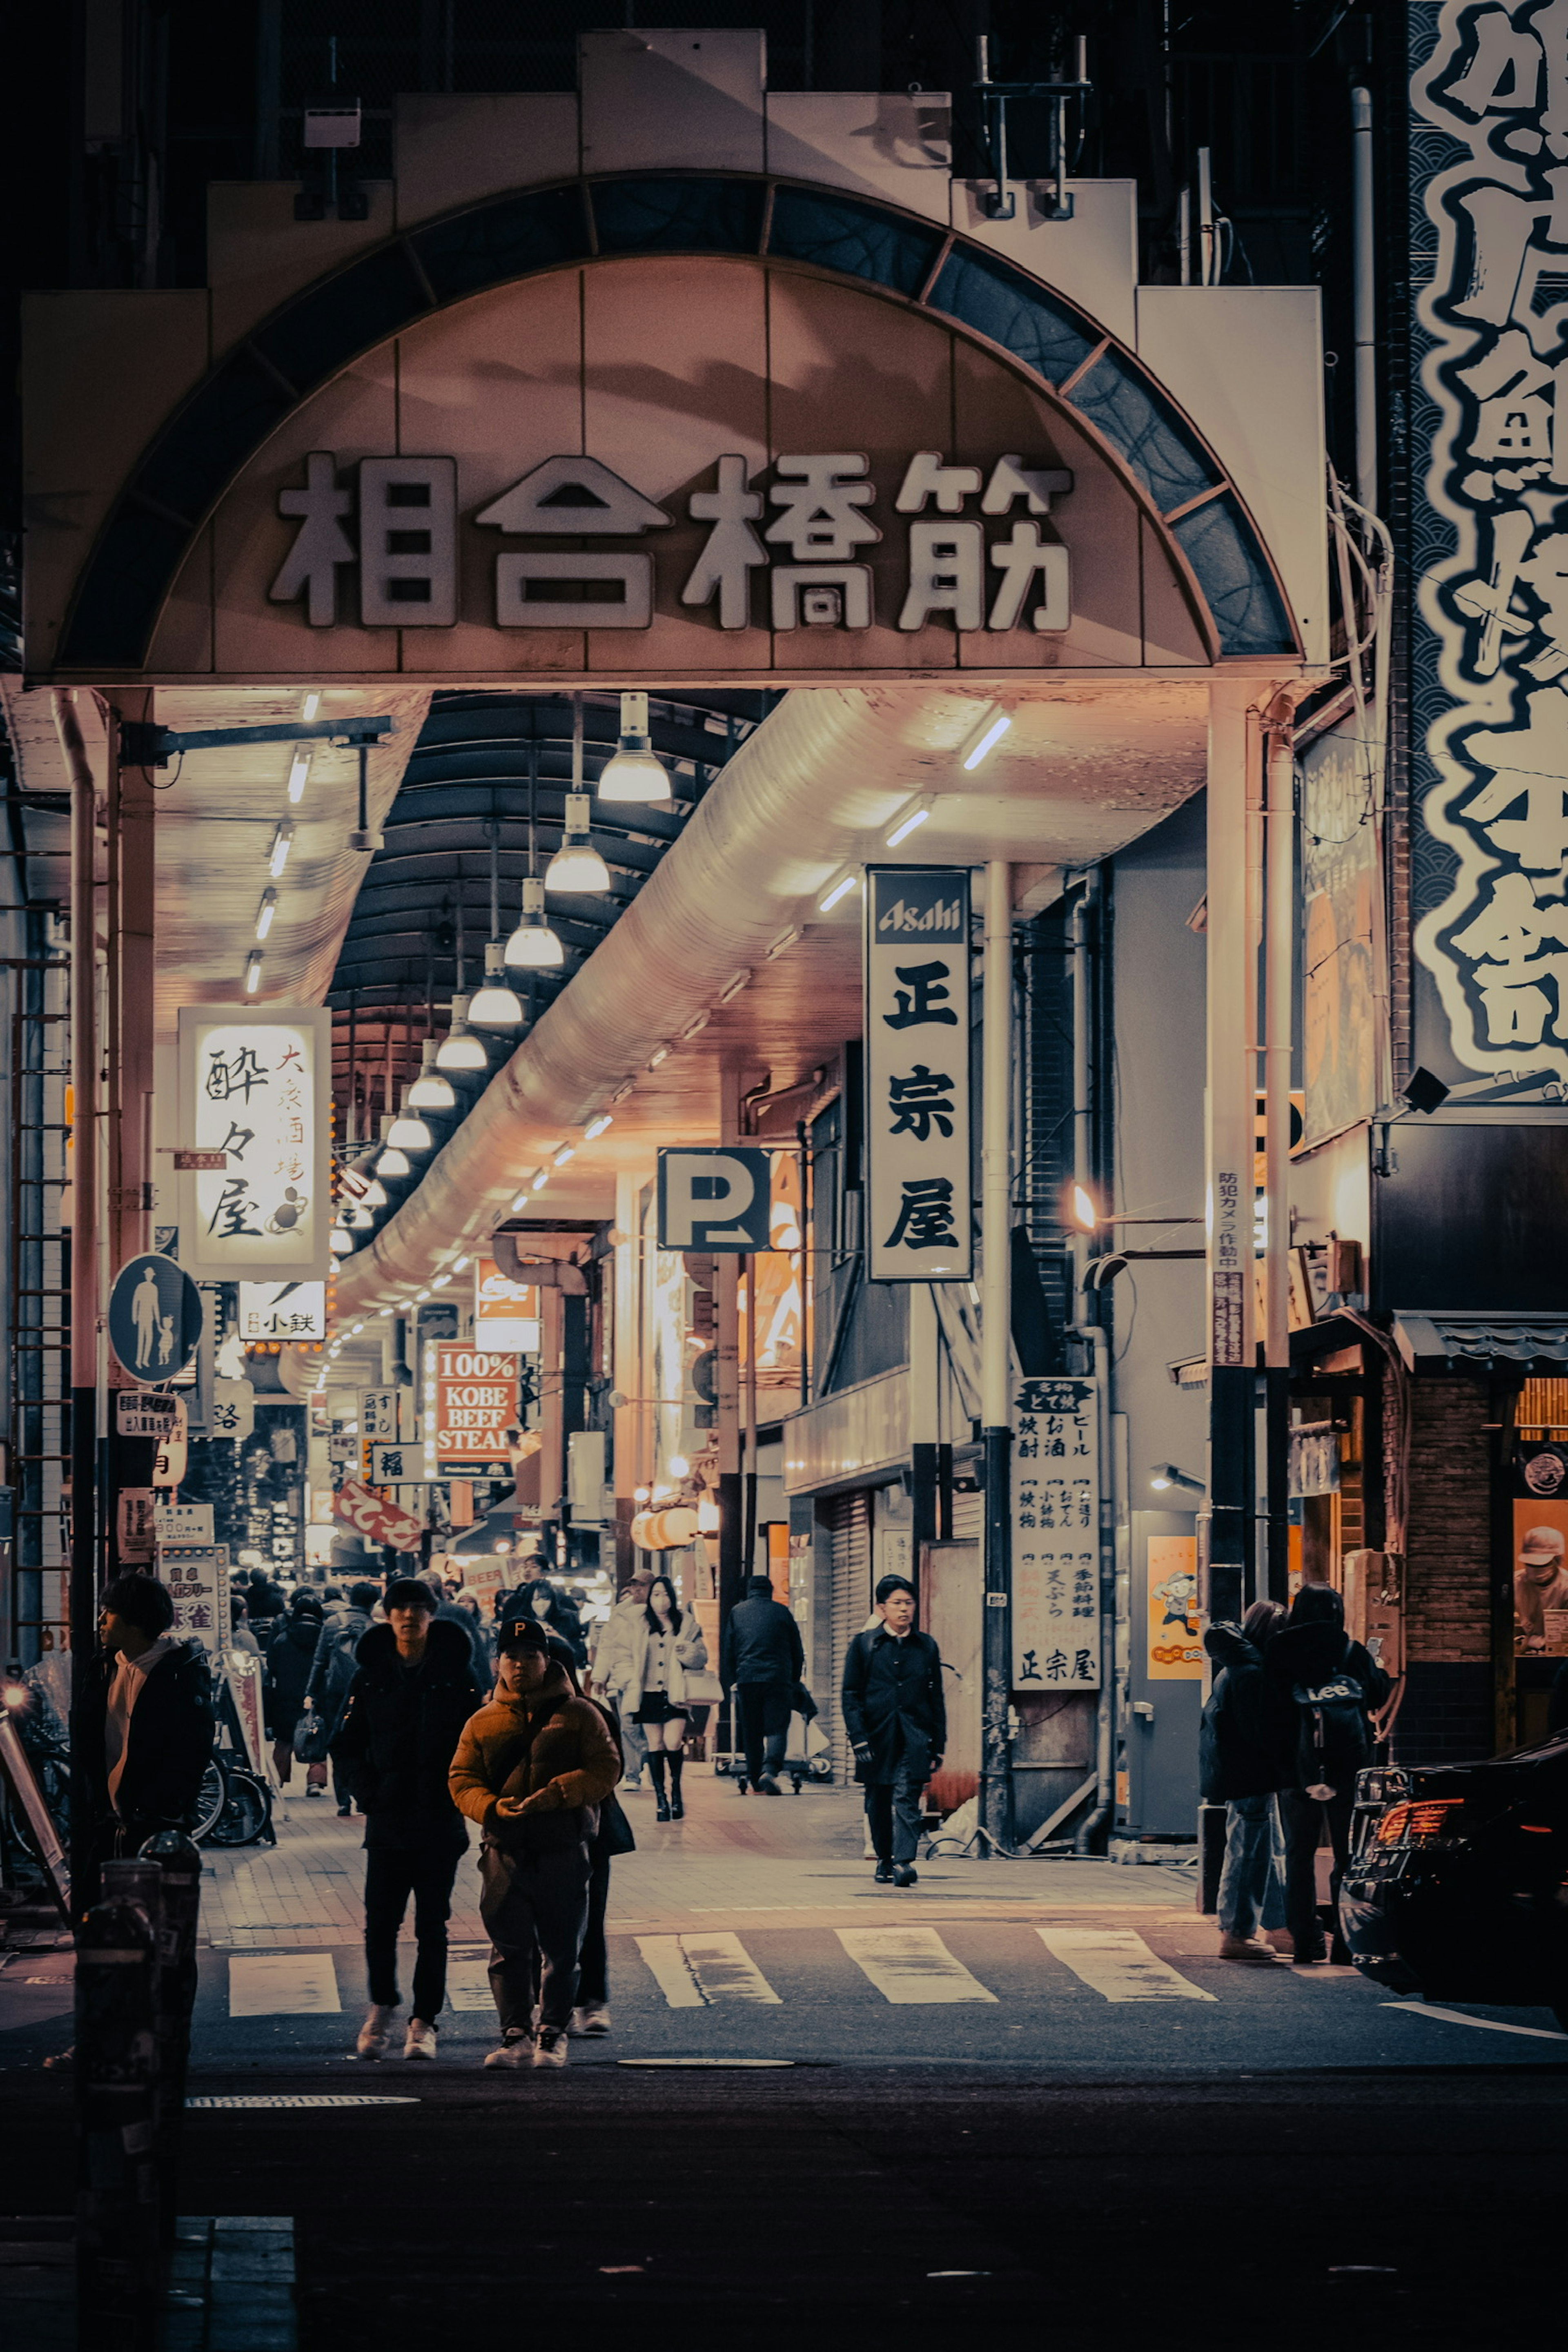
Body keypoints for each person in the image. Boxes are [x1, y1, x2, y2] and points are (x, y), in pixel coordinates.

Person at [448, 1617, 620, 2071]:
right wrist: (489, 1808)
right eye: (511, 1656)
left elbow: (606, 1768)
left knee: (563, 1948)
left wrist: (559, 1793)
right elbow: (462, 1778)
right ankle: (515, 2034)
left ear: (548, 1660)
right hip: (503, 1849)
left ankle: (553, 2033)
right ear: (497, 1663)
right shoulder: (482, 1721)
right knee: (508, 1948)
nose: (520, 1665)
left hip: (564, 1847)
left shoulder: (581, 1713)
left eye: (531, 1655)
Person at [332, 1577, 484, 2061]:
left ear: (431, 1615)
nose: (409, 1616)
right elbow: (347, 1742)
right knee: (380, 1922)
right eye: (400, 1608)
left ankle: (424, 2021)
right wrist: (368, 1792)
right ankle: (382, 2006)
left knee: (432, 1925)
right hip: (388, 1817)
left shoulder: (457, 1673)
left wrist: (462, 1792)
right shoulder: (371, 1673)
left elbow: (475, 1739)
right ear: (387, 1615)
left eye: (419, 1608)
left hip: (440, 1816)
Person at [1264, 1583, 1390, 1965]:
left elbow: (1268, 1711)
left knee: (1298, 1856)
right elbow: (1378, 1695)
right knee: (1348, 1855)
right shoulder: (1350, 1650)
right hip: (1348, 1767)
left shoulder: (1279, 1649)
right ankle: (1344, 1944)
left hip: (1296, 1770)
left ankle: (1306, 1941)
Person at [78, 1573, 213, 1909]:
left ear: (134, 1620)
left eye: (108, 1611)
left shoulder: (179, 1674)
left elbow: (192, 1753)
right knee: (99, 1927)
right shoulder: (104, 1666)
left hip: (155, 1829)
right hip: (107, 1826)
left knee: (161, 1930)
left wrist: (162, 1810)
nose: (100, 1620)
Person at [840, 1575, 945, 1886]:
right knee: (877, 1800)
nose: (904, 1610)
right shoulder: (864, 1645)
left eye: (909, 1603)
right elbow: (851, 1694)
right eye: (897, 1603)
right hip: (875, 1737)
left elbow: (935, 1696)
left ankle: (904, 1862)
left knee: (907, 1797)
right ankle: (885, 1859)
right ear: (881, 1608)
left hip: (914, 1736)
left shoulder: (926, 1646)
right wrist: (858, 1736)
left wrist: (938, 1743)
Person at [1201, 1599, 1289, 1964]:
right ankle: (1236, 1933)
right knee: (1249, 1852)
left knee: (1267, 1850)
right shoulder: (1251, 1673)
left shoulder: (1241, 1666)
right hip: (1250, 1774)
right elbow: (1261, 1733)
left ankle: (1280, 1930)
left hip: (1245, 1773)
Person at [601, 1572, 708, 1822]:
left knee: (673, 1742)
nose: (661, 1600)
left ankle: (677, 1792)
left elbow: (702, 1658)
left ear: (673, 1597)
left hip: (676, 1694)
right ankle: (661, 1800)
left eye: (666, 1595)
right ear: (650, 1598)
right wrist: (627, 1680)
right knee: (655, 1745)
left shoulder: (686, 1623)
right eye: (656, 1595)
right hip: (647, 1693)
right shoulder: (638, 1624)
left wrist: (688, 1652)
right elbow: (621, 1655)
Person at [721, 1571, 805, 1795]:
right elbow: (797, 1649)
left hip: (748, 1679)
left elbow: (729, 1649)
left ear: (750, 1591)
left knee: (752, 1730)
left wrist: (734, 1678)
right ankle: (770, 1770)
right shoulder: (782, 1612)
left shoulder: (737, 1613)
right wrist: (794, 1679)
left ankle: (756, 1779)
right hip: (778, 1679)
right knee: (777, 1726)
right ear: (770, 1591)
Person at [305, 1580, 381, 1816]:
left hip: (335, 1694)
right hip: (368, 1693)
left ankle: (343, 1799)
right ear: (373, 1603)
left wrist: (311, 1693)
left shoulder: (331, 1623)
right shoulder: (376, 1629)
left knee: (339, 1743)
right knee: (367, 1744)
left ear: (350, 1598)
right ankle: (363, 1795)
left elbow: (319, 1662)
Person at [589, 1568, 654, 1791]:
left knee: (650, 1727)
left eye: (642, 1585)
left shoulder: (661, 1613)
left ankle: (652, 1765)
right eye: (634, 1585)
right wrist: (600, 1676)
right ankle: (634, 1774)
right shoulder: (621, 1614)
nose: (637, 1589)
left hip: (655, 1681)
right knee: (628, 1727)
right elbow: (608, 1646)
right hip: (627, 1680)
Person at [265, 1593, 327, 1794]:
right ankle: (315, 1782)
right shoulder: (323, 1637)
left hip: (285, 1693)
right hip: (316, 1692)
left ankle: (276, 1781)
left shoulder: (283, 1638)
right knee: (316, 1735)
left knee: (284, 1740)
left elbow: (271, 1666)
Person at [1515, 1523, 1568, 1648]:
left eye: (1542, 1564)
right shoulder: (1516, 1583)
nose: (1535, 1569)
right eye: (1530, 1564)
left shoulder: (1565, 1587)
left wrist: (1534, 1642)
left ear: (1558, 1561)